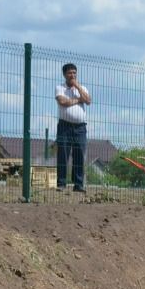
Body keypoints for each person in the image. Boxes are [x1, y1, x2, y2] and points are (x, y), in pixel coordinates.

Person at [54, 62, 91, 192]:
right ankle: (61, 184)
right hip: (64, 126)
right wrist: (77, 100)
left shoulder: (83, 88)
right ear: (64, 74)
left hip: (80, 128)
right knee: (63, 155)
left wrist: (78, 87)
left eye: (74, 72)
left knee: (79, 155)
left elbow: (88, 100)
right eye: (70, 73)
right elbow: (63, 102)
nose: (72, 75)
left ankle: (78, 184)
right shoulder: (60, 88)